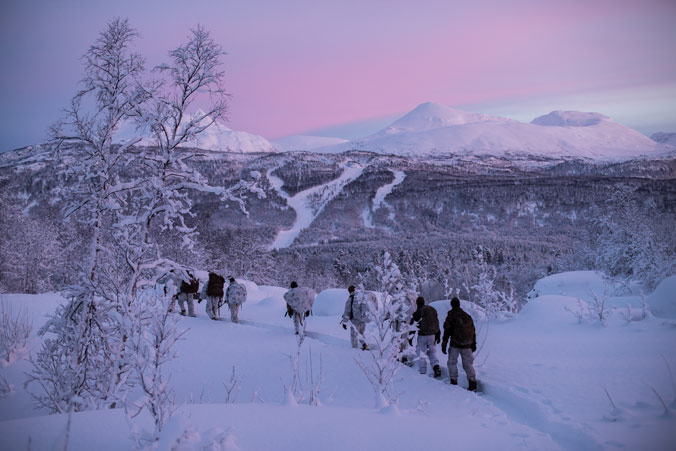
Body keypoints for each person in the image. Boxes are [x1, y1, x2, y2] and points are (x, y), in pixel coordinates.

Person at [441, 297, 478, 391]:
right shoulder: (467, 316)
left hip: (455, 345)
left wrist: (444, 344)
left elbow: (447, 331)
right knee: (468, 364)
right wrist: (473, 344)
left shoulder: (451, 316)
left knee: (452, 363)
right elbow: (473, 330)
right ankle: (472, 383)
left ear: (451, 305)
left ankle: (454, 382)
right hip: (467, 345)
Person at [410, 296, 441, 378]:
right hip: (432, 335)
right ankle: (436, 367)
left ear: (417, 304)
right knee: (432, 352)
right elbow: (437, 322)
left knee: (421, 354)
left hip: (422, 336)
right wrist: (438, 334)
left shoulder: (418, 312)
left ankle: (422, 373)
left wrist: (411, 336)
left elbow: (413, 324)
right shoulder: (431, 309)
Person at [341, 285, 371, 350]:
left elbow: (347, 312)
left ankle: (354, 350)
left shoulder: (350, 299)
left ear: (349, 291)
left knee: (354, 335)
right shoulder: (361, 297)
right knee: (361, 333)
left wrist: (344, 322)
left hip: (355, 321)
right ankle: (366, 346)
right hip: (363, 321)